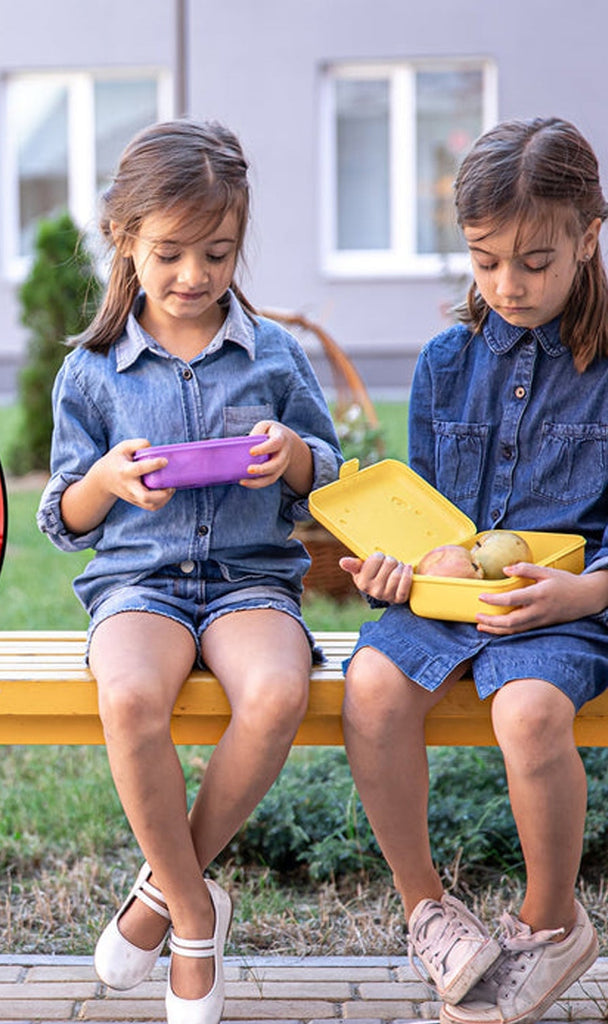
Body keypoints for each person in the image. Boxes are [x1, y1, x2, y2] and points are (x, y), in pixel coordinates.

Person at [37, 119, 341, 1024]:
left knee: (278, 694)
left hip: (251, 581)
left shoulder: (274, 353)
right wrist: (105, 479)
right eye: (169, 254)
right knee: (130, 698)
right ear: (123, 239)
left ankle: (160, 896)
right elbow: (62, 517)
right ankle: (198, 918)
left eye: (218, 253)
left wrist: (292, 455)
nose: (193, 276)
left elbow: (328, 478)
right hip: (140, 584)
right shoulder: (92, 371)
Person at [340, 116, 608, 1024]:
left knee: (528, 713)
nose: (507, 285)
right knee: (372, 688)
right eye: (486, 261)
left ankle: (551, 922)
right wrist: (400, 568)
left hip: (567, 607)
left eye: (534, 262)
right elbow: (422, 519)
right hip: (448, 602)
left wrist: (585, 591)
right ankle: (427, 910)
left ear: (588, 237)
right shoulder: (444, 363)